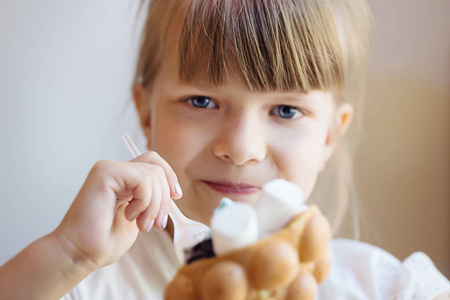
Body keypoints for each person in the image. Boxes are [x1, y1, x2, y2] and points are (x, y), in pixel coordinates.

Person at [0, 0, 449, 299]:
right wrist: (69, 255)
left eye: (286, 111)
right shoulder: (83, 283)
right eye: (202, 101)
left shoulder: (386, 288)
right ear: (148, 114)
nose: (240, 149)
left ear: (331, 135)